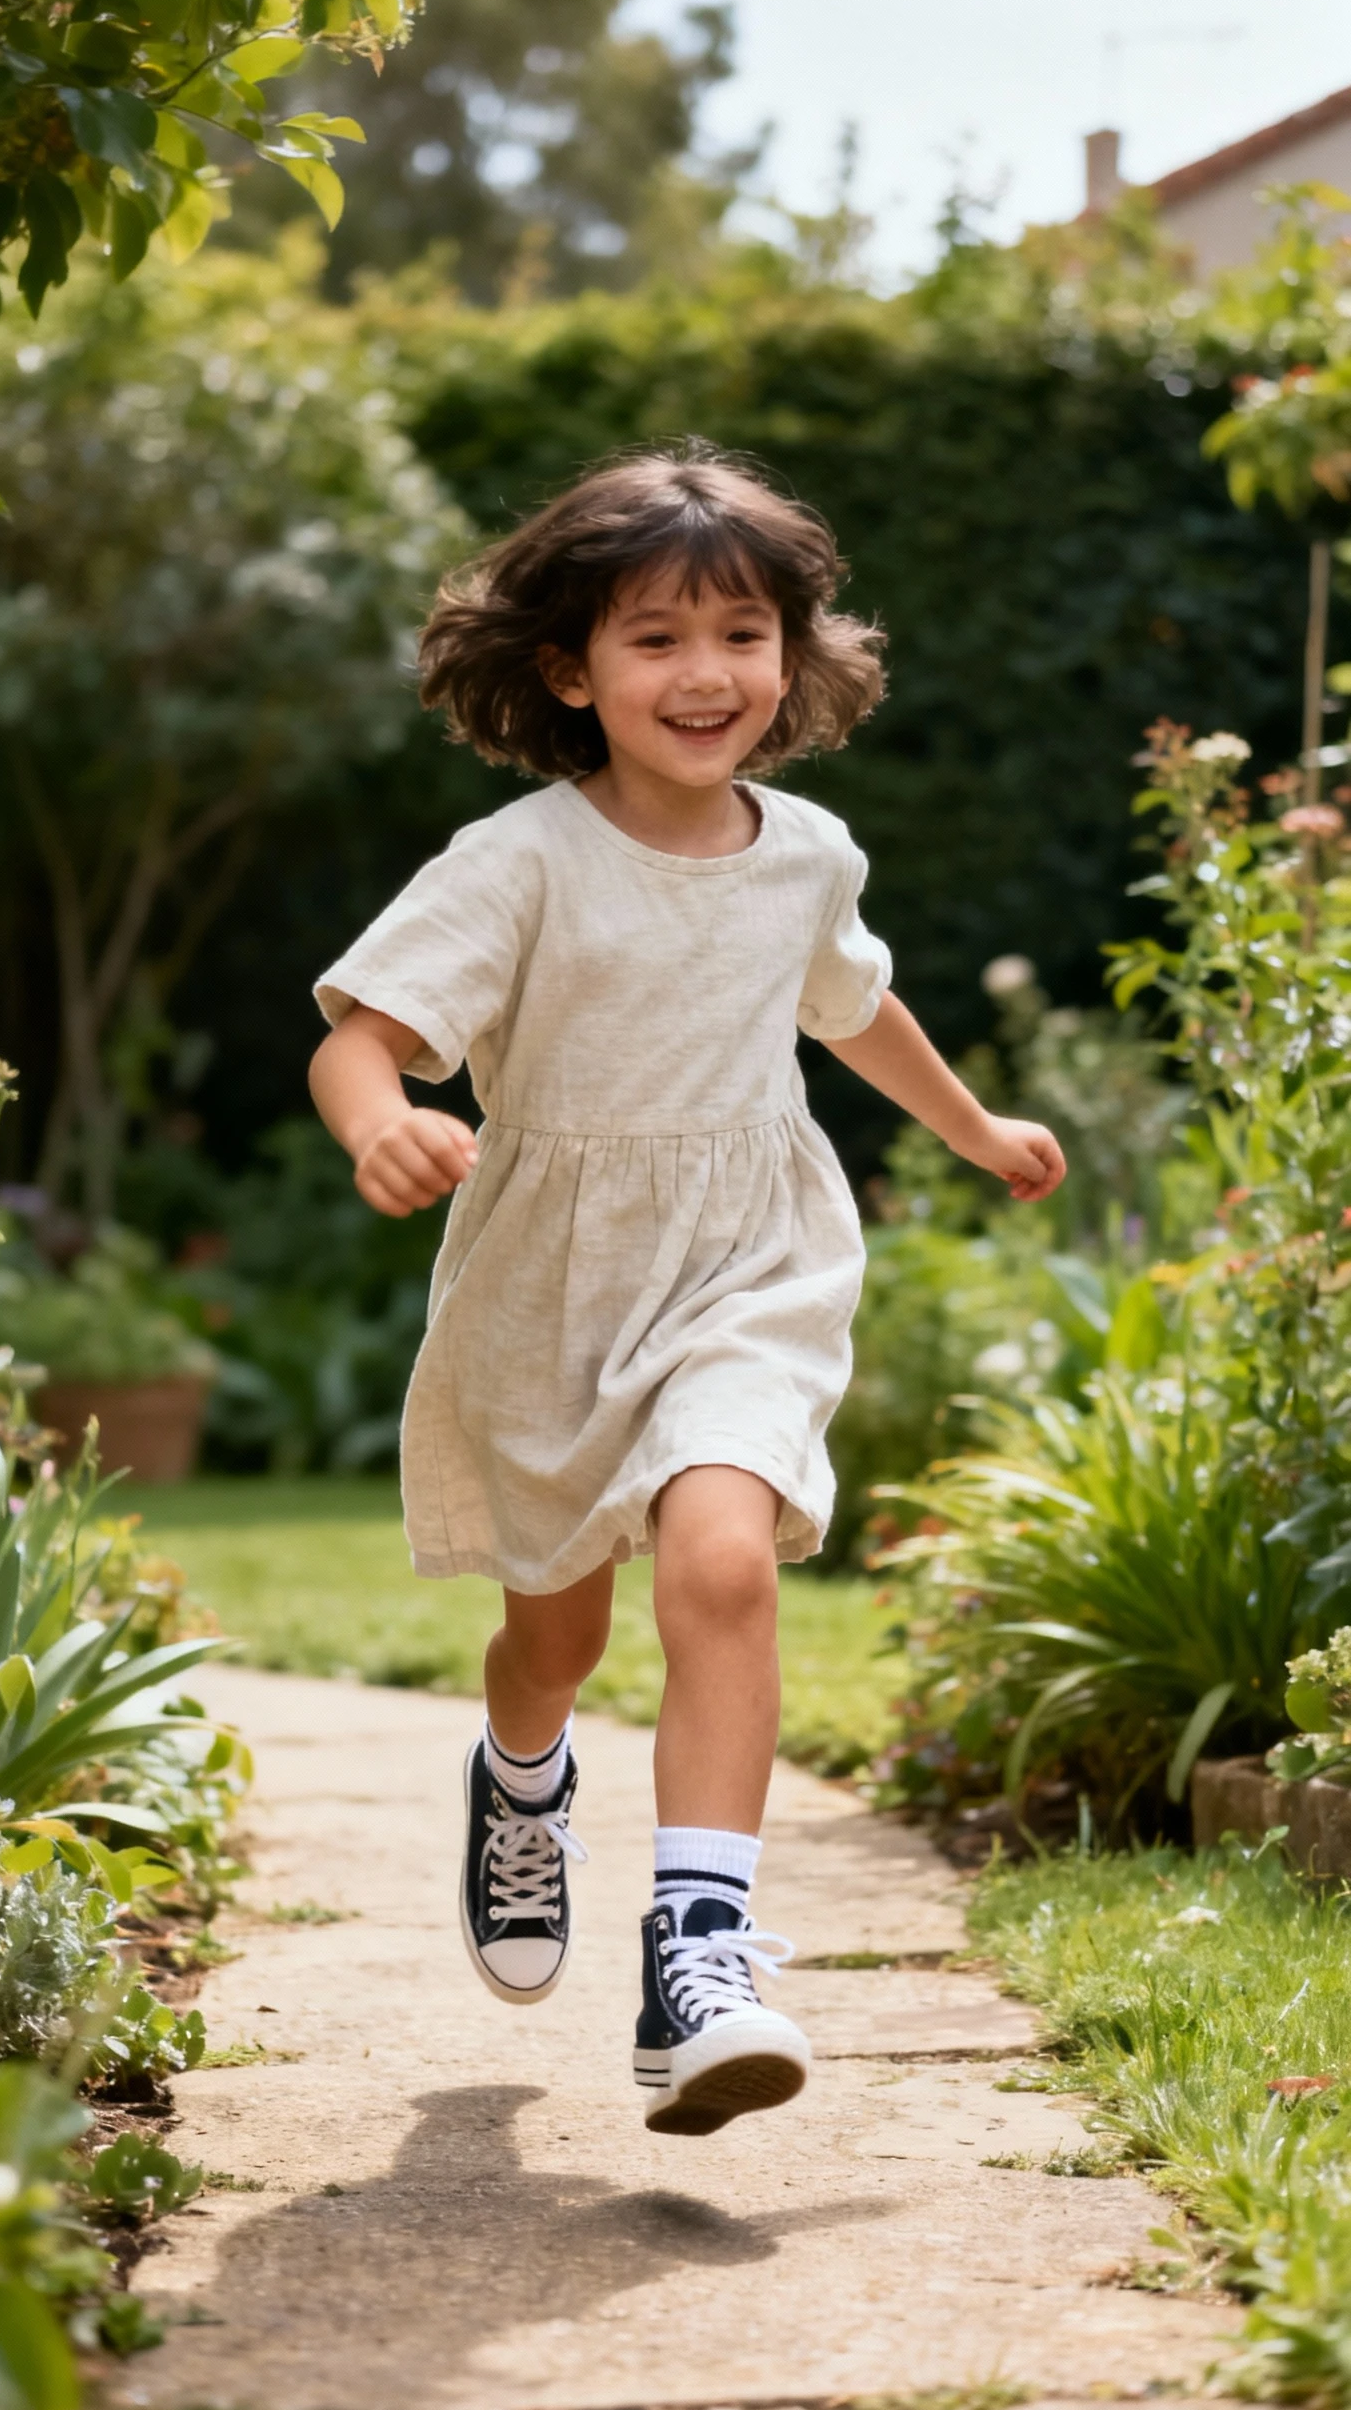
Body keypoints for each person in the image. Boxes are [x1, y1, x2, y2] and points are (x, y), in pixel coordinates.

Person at [309, 445, 1066, 2137]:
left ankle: (699, 1954)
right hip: (553, 1289)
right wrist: (382, 1124)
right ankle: (523, 1781)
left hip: (749, 1262)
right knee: (555, 1634)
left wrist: (974, 1127)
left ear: (794, 655)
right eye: (654, 638)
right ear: (572, 671)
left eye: (741, 633)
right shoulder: (517, 861)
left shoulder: (807, 855)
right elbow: (359, 1037)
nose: (705, 672)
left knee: (725, 1556)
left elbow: (853, 1006)